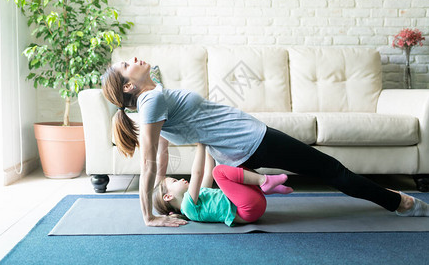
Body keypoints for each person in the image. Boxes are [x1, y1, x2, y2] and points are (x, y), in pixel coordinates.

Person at [101, 57, 429, 227]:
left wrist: (162, 195)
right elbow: (149, 163)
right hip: (251, 140)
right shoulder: (151, 103)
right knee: (332, 170)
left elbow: (161, 152)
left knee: (314, 176)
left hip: (232, 153)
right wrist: (148, 215)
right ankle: (400, 203)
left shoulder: (152, 97)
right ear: (129, 87)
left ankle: (255, 194)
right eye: (126, 66)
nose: (133, 59)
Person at [153, 143, 293, 226]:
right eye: (175, 181)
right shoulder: (188, 208)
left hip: (252, 202)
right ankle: (264, 181)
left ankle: (265, 187)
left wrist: (208, 147)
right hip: (246, 210)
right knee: (219, 171)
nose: (181, 180)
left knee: (231, 165)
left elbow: (207, 173)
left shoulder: (200, 197)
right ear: (168, 196)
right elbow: (197, 174)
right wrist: (200, 145)